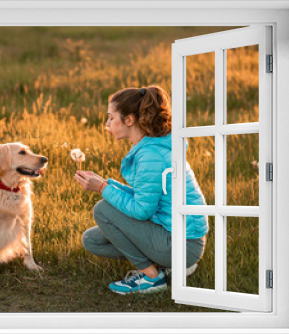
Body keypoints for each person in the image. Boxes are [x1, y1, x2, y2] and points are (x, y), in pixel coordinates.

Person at [74, 86, 208, 294]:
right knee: (92, 240)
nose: (107, 124)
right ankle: (164, 266)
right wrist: (106, 184)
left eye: (111, 118)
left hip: (182, 244)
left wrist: (102, 189)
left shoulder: (150, 156)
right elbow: (146, 199)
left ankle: (152, 277)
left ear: (129, 120)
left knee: (102, 209)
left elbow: (141, 211)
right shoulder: (153, 148)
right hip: (174, 234)